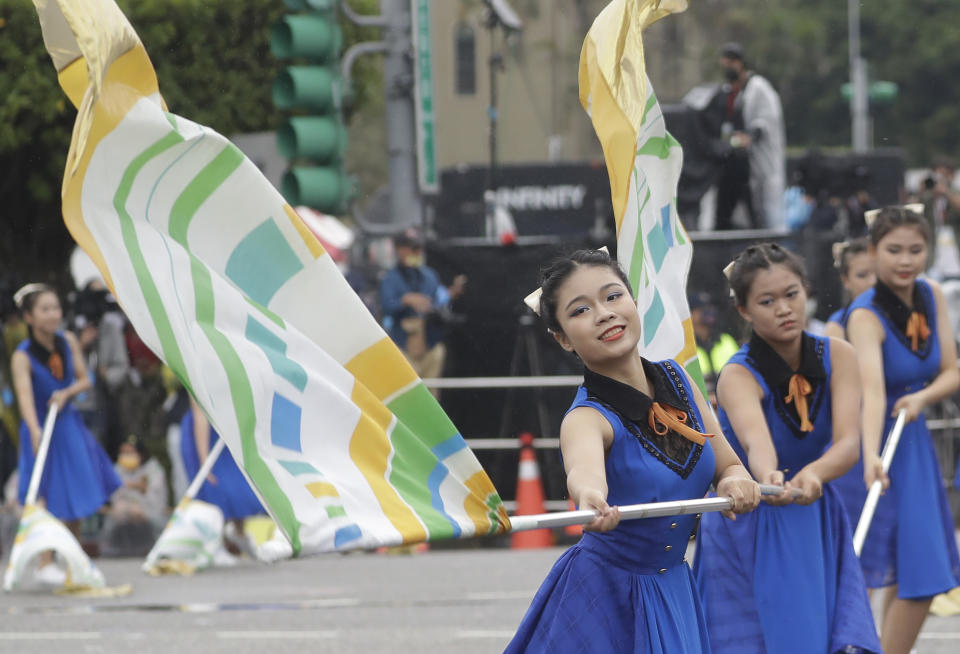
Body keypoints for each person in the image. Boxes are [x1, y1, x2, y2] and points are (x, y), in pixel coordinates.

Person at [505, 249, 759, 653]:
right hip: (607, 596)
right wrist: (589, 499)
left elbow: (727, 464)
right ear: (563, 339)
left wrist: (737, 480)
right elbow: (584, 474)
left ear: (634, 302)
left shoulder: (680, 380)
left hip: (675, 586)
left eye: (612, 296)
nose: (604, 314)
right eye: (580, 310)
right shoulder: (586, 417)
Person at [692, 243, 880, 653]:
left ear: (806, 291)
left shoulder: (840, 355)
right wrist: (769, 478)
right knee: (751, 642)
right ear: (743, 311)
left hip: (813, 511)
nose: (784, 308)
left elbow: (849, 442)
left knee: (819, 636)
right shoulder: (738, 373)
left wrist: (814, 474)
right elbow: (757, 443)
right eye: (767, 300)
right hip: (749, 513)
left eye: (791, 294)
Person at [830, 207, 960, 654]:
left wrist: (922, 398)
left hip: (914, 440)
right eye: (894, 250)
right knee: (861, 570)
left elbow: (951, 371)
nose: (905, 260)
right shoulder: (864, 315)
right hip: (873, 446)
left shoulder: (932, 294)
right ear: (873, 252)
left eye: (915, 250)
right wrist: (869, 456)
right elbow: (874, 393)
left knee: (923, 574)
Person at [9, 284, 121, 584]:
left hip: (69, 423)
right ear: (29, 317)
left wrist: (66, 392)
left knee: (78, 493)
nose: (53, 315)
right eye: (44, 309)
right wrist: (34, 429)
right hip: (42, 428)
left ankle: (73, 557)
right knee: (46, 495)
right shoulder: (22, 356)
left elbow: (86, 379)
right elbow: (25, 398)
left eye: (55, 308)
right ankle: (45, 562)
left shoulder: (68, 341)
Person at [379, 229, 466, 383]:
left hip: (430, 344)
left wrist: (451, 293)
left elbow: (438, 300)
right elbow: (386, 307)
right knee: (408, 394)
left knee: (432, 392)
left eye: (419, 249)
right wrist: (405, 300)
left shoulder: (429, 275)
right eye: (413, 249)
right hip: (403, 346)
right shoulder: (390, 278)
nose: (417, 253)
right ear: (400, 250)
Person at [181, 398, 263, 557]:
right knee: (212, 486)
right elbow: (200, 414)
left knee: (238, 485)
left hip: (227, 427)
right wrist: (205, 460)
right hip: (203, 433)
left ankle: (239, 533)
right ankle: (216, 543)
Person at [716, 42, 786, 230]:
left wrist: (749, 137)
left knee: (770, 214)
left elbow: (766, 121)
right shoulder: (735, 91)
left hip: (764, 162)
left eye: (730, 63)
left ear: (739, 63)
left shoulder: (758, 87)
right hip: (745, 166)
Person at [100, 435, 168, 556]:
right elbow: (114, 497)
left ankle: (153, 548)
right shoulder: (117, 469)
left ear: (140, 454)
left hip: (149, 512)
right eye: (123, 453)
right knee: (120, 510)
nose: (126, 456)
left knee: (135, 511)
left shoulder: (153, 469)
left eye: (130, 452)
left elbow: (156, 497)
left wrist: (138, 494)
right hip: (124, 512)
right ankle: (115, 548)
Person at [690, 291, 739, 404]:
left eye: (709, 308)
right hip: (700, 407)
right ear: (690, 314)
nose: (707, 312)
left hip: (731, 402)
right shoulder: (686, 345)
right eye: (701, 310)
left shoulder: (727, 340)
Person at [824, 238, 875, 339]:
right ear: (845, 280)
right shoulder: (838, 326)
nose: (873, 281)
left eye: (878, 273)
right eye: (862, 275)